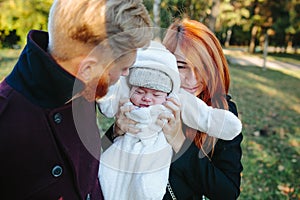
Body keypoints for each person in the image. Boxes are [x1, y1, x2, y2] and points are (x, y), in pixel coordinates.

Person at [0, 0, 152, 199]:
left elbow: (83, 172)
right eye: (123, 67)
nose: (125, 74)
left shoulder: (83, 87)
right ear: (88, 69)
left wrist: (114, 134)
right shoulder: (5, 120)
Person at [110, 19, 243, 200]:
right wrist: (117, 131)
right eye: (181, 66)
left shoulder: (221, 112)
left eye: (202, 67)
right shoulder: (146, 97)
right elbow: (101, 158)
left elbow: (228, 192)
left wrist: (179, 142)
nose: (193, 79)